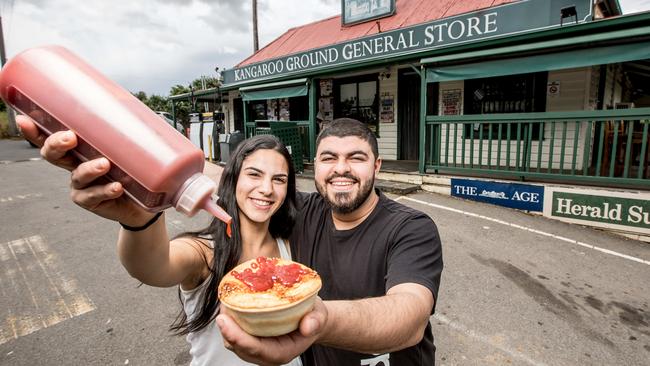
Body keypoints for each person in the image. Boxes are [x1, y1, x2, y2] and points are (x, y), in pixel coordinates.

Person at [17, 114, 303, 366]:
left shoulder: (288, 244)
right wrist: (139, 219)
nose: (266, 189)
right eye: (254, 174)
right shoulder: (204, 252)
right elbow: (152, 265)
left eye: (279, 179)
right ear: (233, 180)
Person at [217, 118, 444, 366]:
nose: (341, 168)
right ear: (316, 165)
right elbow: (241, 182)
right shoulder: (302, 210)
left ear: (376, 166)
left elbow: (410, 317)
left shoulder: (411, 228)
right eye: (328, 158)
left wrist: (321, 321)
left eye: (356, 158)